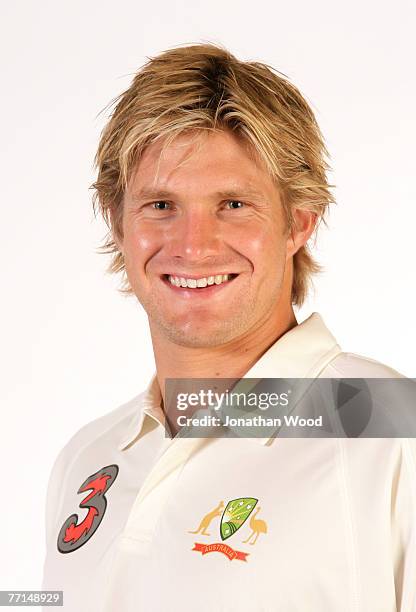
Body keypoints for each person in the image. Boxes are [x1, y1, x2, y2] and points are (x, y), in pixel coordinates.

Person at [41, 43, 415, 611]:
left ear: (299, 223)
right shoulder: (87, 458)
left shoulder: (393, 437)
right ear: (118, 223)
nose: (193, 246)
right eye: (161, 205)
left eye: (234, 204)